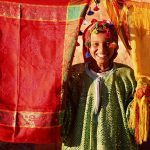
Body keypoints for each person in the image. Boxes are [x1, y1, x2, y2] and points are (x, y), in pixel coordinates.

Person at [62, 20, 138, 150]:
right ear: (88, 47)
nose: (102, 49)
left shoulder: (126, 75)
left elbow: (133, 122)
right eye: (95, 44)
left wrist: (141, 100)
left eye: (108, 43)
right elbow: (66, 113)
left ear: (115, 46)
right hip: (79, 144)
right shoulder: (75, 75)